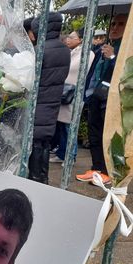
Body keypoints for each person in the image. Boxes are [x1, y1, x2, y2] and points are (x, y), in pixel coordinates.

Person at [76, 14, 127, 185]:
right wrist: (86, 95)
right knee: (94, 135)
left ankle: (108, 171)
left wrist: (113, 58)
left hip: (111, 101)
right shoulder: (102, 48)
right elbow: (92, 74)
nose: (114, 27)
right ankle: (97, 169)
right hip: (95, 97)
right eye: (113, 23)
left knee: (109, 137)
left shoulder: (126, 49)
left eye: (120, 24)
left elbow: (124, 74)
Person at [27, 13, 70, 184]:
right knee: (44, 140)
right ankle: (42, 177)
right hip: (52, 103)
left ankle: (36, 178)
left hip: (39, 102)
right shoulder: (64, 49)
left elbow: (32, 78)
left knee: (36, 141)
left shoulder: (41, 50)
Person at [50, 29, 95, 164]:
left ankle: (71, 156)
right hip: (65, 93)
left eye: (72, 37)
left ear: (80, 39)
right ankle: (62, 153)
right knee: (63, 126)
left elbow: (73, 68)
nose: (68, 39)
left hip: (74, 94)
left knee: (70, 127)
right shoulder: (73, 52)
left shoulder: (87, 53)